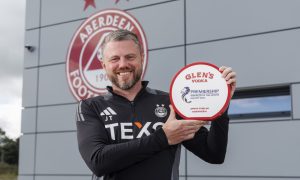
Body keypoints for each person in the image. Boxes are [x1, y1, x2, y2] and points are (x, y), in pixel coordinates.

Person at [76, 29, 237, 180]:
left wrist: (221, 104)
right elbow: (97, 161)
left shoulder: (170, 103)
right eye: (115, 59)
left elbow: (214, 154)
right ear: (104, 65)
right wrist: (163, 137)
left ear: (142, 58)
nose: (123, 64)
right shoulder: (90, 107)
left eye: (130, 57)